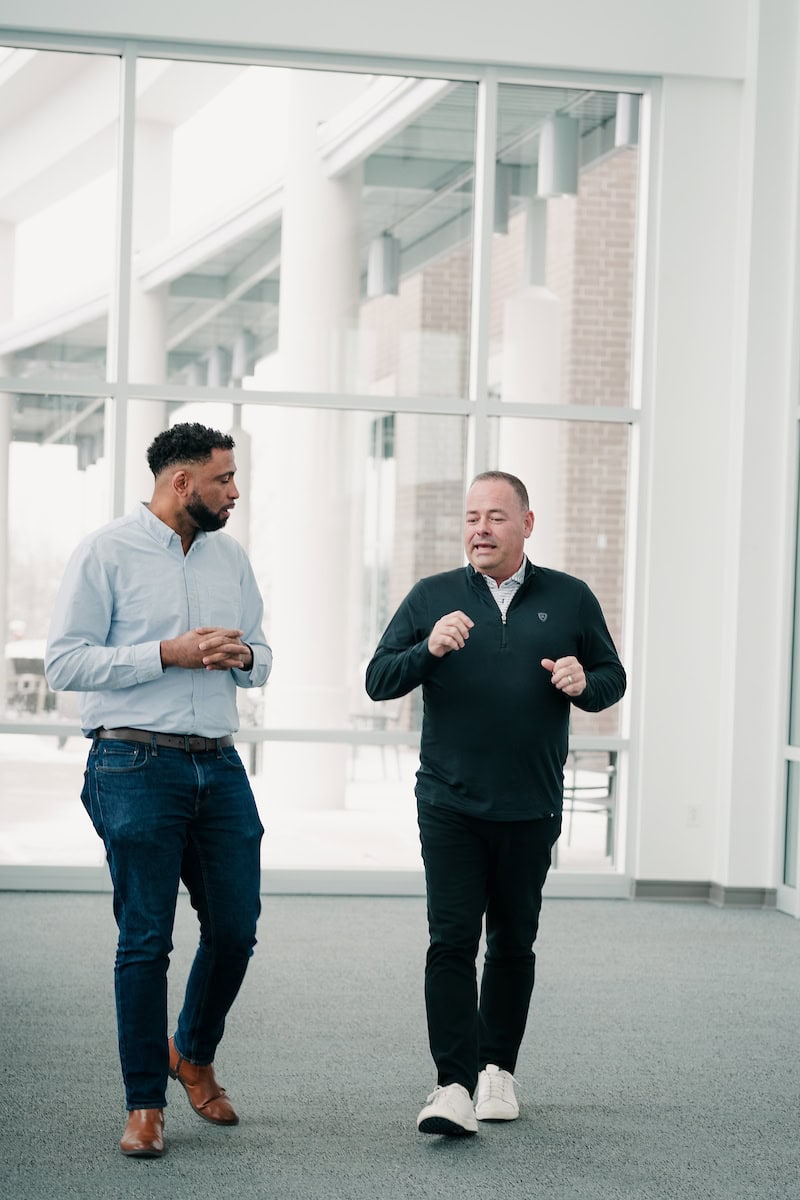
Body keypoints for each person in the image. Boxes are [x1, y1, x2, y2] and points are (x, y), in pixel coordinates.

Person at [365, 470, 626, 1137]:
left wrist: (581, 682)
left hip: (531, 804)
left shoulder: (569, 598)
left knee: (513, 943)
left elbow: (610, 678)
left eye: (496, 517)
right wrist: (427, 648)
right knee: (450, 941)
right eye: (471, 517)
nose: (480, 529)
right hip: (449, 803)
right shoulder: (433, 597)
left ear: (527, 525)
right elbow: (378, 680)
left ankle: (496, 1070)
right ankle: (452, 1085)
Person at [45, 422, 272, 1159]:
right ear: (183, 484)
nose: (234, 492)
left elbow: (262, 655)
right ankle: (145, 1103)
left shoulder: (230, 557)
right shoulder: (104, 552)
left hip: (220, 765)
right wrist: (165, 654)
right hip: (133, 765)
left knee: (235, 929)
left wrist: (243, 656)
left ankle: (193, 1052)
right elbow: (65, 664)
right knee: (146, 940)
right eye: (224, 479)